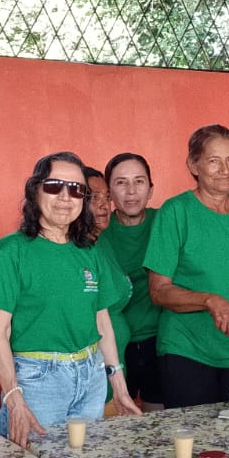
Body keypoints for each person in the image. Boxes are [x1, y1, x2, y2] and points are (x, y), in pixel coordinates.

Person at [0, 153, 141, 447]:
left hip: (91, 375)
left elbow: (101, 322)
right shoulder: (12, 251)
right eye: (55, 186)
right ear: (35, 190)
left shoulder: (88, 251)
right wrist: (14, 399)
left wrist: (119, 387)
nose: (66, 197)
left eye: (77, 189)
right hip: (38, 381)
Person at [144, 125, 229, 409]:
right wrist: (210, 300)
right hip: (188, 351)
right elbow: (158, 291)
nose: (225, 169)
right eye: (214, 160)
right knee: (193, 435)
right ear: (193, 165)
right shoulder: (176, 212)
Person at [98, 153, 164, 412]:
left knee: (158, 423)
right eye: (121, 183)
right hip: (111, 342)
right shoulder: (98, 231)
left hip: (158, 339)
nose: (131, 191)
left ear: (151, 189)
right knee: (115, 420)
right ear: (109, 192)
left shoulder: (166, 221)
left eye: (139, 181)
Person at [85, 166, 134, 414]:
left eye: (106, 197)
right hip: (90, 380)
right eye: (94, 197)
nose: (104, 204)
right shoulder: (76, 251)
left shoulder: (101, 241)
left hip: (113, 372)